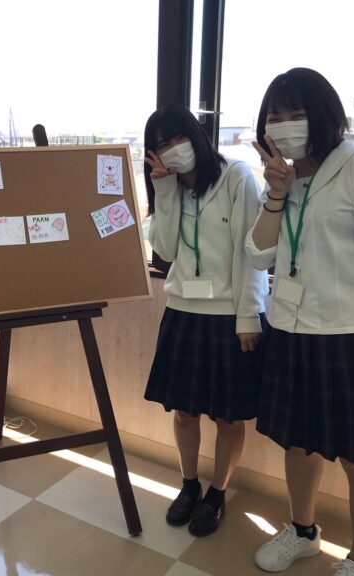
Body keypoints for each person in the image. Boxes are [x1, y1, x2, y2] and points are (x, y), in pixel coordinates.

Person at [246, 68, 354, 576]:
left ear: (324, 115)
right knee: (298, 443)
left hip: (351, 338)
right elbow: (258, 254)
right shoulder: (284, 180)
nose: (284, 125)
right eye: (275, 116)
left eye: (297, 114)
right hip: (290, 331)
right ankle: (303, 532)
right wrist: (275, 193)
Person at [143, 104, 268, 536]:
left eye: (179, 137)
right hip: (183, 311)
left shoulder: (236, 176)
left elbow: (251, 254)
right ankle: (189, 484)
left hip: (229, 316)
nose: (174, 149)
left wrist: (249, 315)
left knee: (229, 418)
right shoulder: (171, 187)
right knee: (183, 412)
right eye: (162, 145)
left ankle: (217, 492)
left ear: (196, 135)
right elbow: (165, 251)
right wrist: (164, 190)